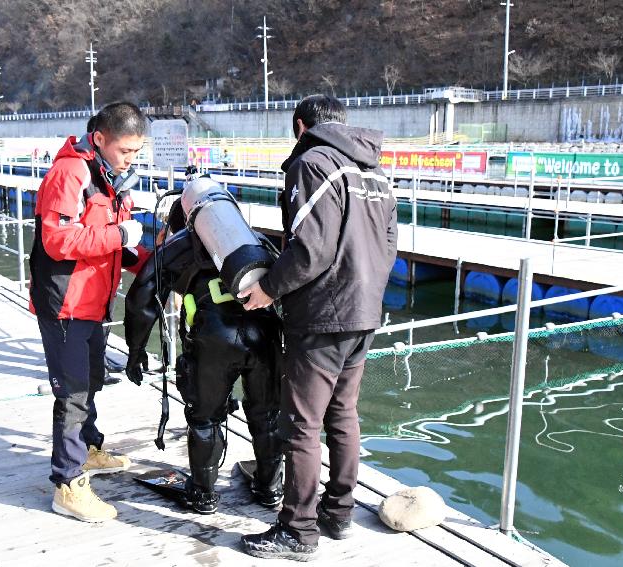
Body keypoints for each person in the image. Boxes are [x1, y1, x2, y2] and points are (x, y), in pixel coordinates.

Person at [237, 94, 398, 560]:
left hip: (322, 315)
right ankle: (339, 512)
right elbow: (389, 248)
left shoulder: (312, 164)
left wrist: (269, 288)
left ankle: (298, 529)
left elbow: (309, 249)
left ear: (300, 127)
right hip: (364, 312)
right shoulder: (375, 173)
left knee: (302, 424)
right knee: (343, 415)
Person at [124, 193, 284, 514]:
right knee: (267, 413)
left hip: (214, 340)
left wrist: (136, 350)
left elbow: (143, 293)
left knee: (205, 417)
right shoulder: (254, 241)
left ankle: (203, 494)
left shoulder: (180, 245)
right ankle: (270, 487)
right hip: (265, 332)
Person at [28, 101, 149, 522]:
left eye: (137, 152)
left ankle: (90, 447)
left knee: (92, 379)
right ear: (99, 139)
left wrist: (150, 259)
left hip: (94, 301)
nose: (131, 159)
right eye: (126, 151)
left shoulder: (108, 176)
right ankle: (67, 483)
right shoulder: (70, 173)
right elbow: (58, 241)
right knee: (73, 392)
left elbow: (117, 245)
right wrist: (120, 233)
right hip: (65, 303)